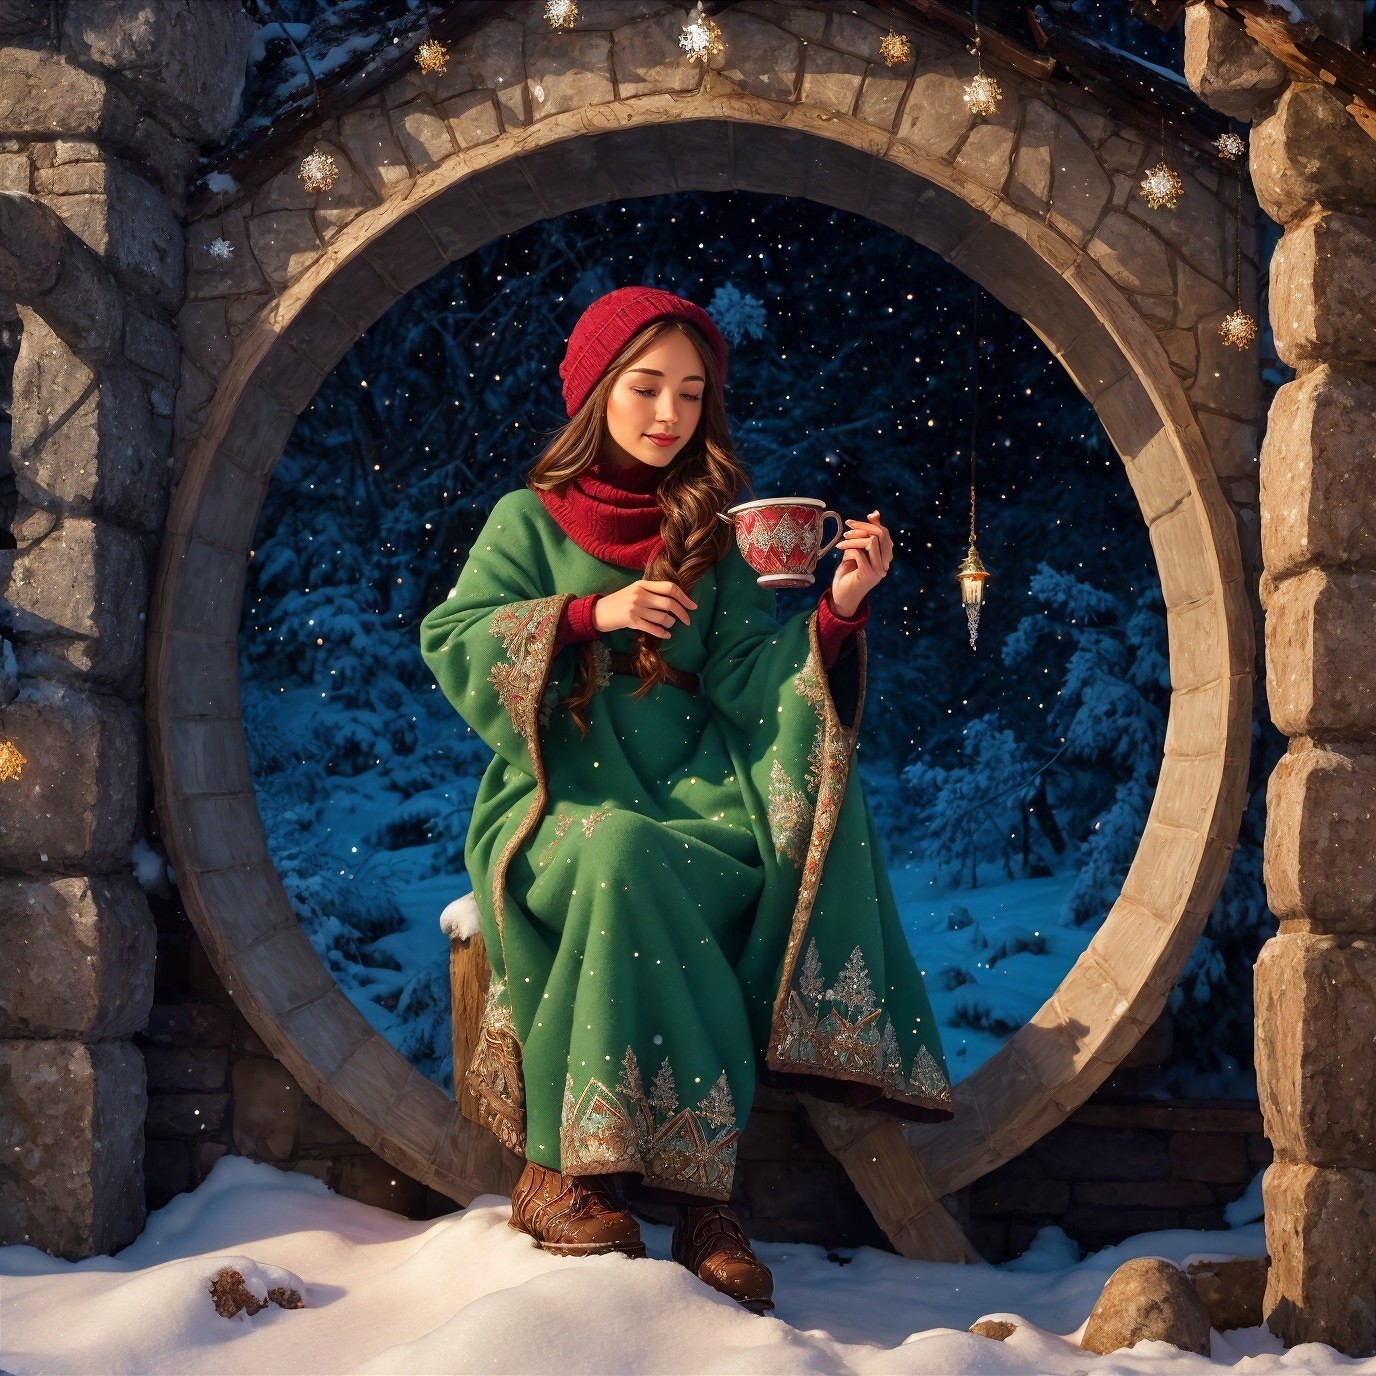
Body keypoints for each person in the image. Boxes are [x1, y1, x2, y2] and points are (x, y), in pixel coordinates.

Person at [420, 286, 952, 1314]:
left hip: (692, 803)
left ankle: (694, 1190)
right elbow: (454, 637)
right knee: (617, 849)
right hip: (552, 802)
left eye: (690, 393)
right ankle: (566, 1169)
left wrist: (836, 612)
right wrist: (585, 611)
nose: (668, 414)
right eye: (645, 387)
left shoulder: (709, 533)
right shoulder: (525, 520)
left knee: (659, 857)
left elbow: (756, 679)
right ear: (595, 392)